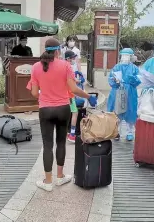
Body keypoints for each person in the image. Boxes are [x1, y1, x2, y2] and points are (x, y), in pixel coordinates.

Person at [27, 38, 97, 192]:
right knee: (61, 143)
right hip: (63, 109)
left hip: (45, 109)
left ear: (45, 50)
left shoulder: (36, 67)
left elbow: (33, 93)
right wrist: (88, 97)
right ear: (58, 50)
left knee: (47, 145)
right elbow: (74, 89)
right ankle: (60, 177)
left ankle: (48, 181)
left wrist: (45, 95)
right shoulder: (65, 65)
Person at [107, 48, 141, 141]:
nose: (125, 58)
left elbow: (138, 80)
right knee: (117, 112)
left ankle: (129, 132)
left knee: (130, 111)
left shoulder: (134, 68)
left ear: (131, 57)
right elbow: (111, 79)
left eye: (127, 56)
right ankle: (116, 132)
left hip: (130, 93)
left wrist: (132, 79)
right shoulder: (116, 67)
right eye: (124, 56)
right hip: (117, 91)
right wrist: (115, 80)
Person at [64, 50, 85, 142]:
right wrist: (80, 80)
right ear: (68, 58)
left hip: (62, 94)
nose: (74, 60)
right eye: (72, 58)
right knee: (75, 113)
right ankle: (72, 134)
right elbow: (74, 81)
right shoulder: (68, 67)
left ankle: (65, 134)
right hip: (69, 94)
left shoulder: (61, 66)